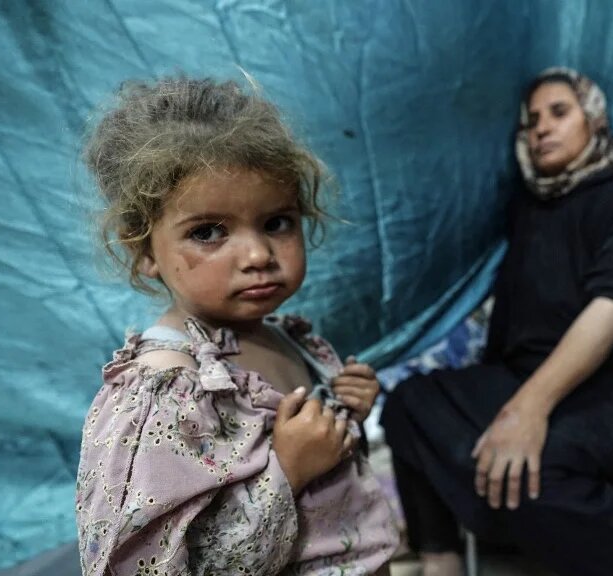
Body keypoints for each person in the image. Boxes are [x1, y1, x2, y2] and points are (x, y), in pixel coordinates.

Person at [75, 76, 399, 575]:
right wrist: (286, 472)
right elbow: (164, 566)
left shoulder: (287, 339)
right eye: (208, 232)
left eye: (277, 222)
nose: (257, 255)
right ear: (144, 252)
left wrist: (343, 411)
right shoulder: (165, 393)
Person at [381, 68, 613, 576]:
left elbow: (610, 309)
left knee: (534, 473)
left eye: (559, 113)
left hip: (605, 385)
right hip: (518, 373)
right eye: (531, 121)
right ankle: (442, 560)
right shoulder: (531, 204)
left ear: (593, 119)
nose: (542, 129)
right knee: (406, 406)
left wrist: (526, 412)